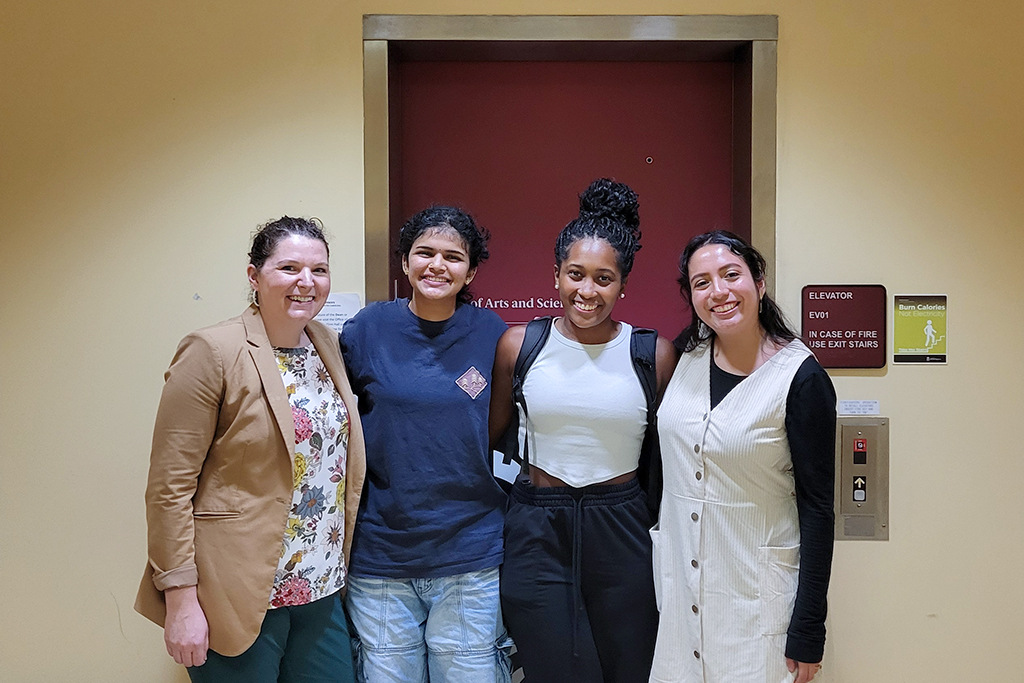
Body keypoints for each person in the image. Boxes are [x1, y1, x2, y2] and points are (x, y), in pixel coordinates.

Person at [135, 216, 366, 682]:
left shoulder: (328, 345)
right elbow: (169, 487)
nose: (306, 282)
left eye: (319, 270)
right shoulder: (212, 350)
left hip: (319, 589)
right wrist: (180, 598)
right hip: (237, 595)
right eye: (289, 268)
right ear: (253, 275)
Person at [489, 179, 676, 683]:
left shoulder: (651, 355)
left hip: (622, 530)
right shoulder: (519, 345)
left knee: (628, 669)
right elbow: (492, 438)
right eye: (575, 274)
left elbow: (670, 457)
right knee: (549, 670)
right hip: (537, 529)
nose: (587, 291)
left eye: (603, 278)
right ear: (555, 276)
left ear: (622, 285)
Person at [649, 230, 836, 683]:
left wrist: (810, 627)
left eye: (731, 275)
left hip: (756, 604)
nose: (719, 292)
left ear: (760, 282)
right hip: (679, 601)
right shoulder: (686, 356)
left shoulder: (801, 377)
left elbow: (818, 509)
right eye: (702, 282)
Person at [340, 206, 511, 682]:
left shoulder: (494, 335)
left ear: (471, 270)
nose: (437, 265)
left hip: (469, 551)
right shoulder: (365, 330)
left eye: (453, 257)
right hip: (381, 554)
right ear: (404, 263)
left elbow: (497, 424)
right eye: (425, 253)